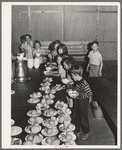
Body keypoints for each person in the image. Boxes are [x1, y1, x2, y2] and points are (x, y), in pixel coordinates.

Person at [68, 64, 92, 142]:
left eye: (72, 76)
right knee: (75, 116)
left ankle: (86, 132)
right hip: (76, 101)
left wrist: (79, 95)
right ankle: (77, 130)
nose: (72, 77)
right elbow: (76, 89)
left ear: (76, 75)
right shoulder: (77, 81)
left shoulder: (84, 83)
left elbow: (89, 94)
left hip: (83, 103)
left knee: (83, 118)